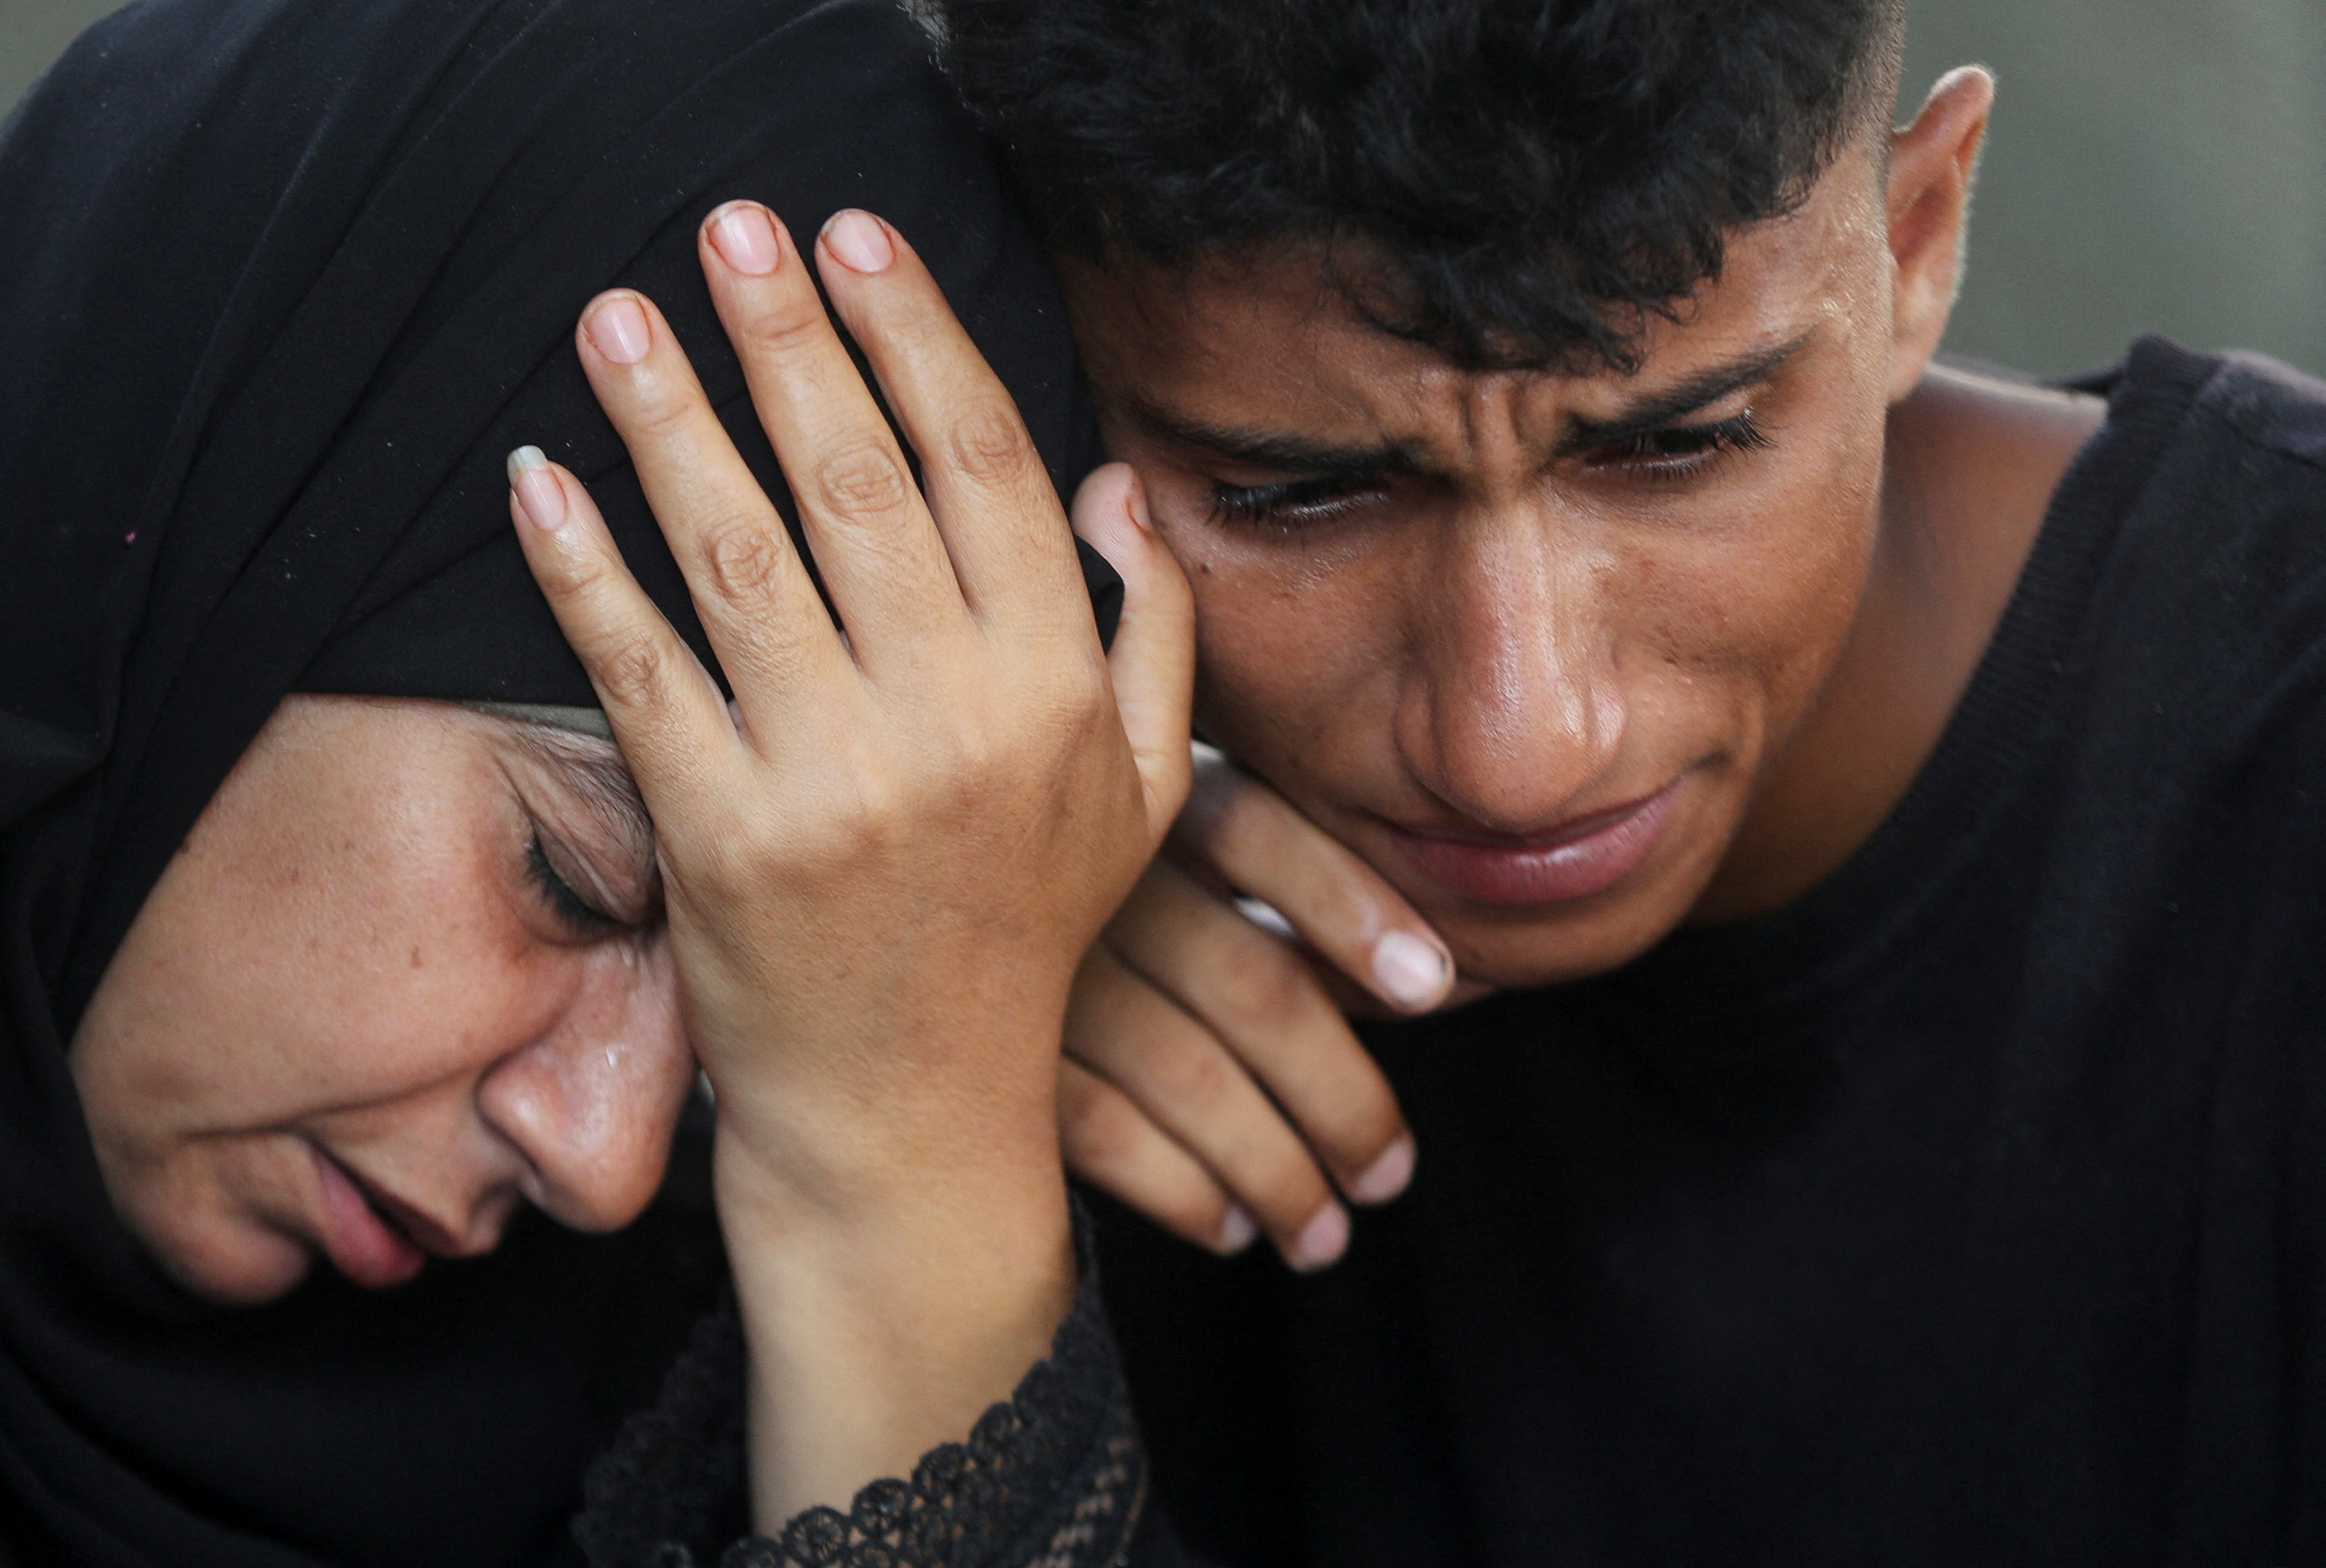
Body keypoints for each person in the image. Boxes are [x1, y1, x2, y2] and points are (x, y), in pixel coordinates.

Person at [911, 0, 2325, 1561]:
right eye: (1295, 496)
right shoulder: (992, 925)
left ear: (1913, 241)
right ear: (1028, 367)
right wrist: (930, 1092)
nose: (1521, 748)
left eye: (1680, 448)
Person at [0, 0, 1189, 1563]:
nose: (605, 1162)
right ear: (190, 566)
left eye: (745, 1034)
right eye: (574, 880)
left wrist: (911, 1195)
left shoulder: (660, 1400)